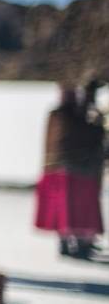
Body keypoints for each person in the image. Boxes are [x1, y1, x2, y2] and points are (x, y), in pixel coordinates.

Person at [35, 82, 105, 259]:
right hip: (70, 169)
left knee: (77, 209)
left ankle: (79, 242)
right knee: (72, 209)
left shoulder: (74, 115)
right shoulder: (64, 116)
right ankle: (73, 243)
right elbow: (82, 136)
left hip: (75, 168)